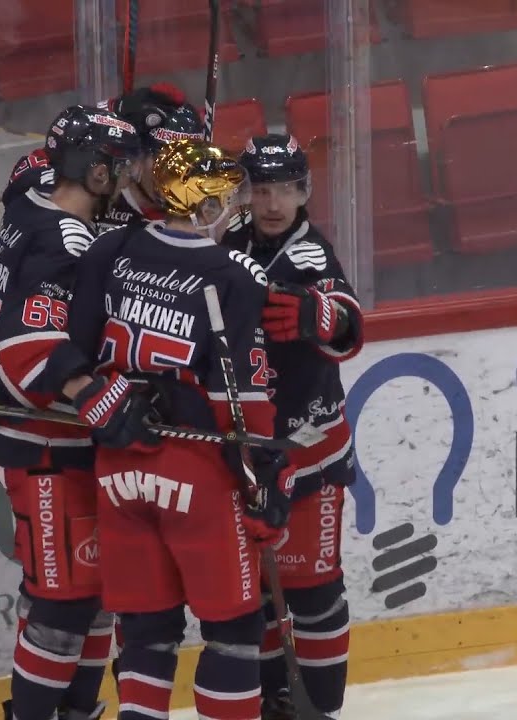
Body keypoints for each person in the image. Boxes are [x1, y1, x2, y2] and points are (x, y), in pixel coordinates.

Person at [38, 139, 297, 720]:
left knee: (146, 630)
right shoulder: (234, 275)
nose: (236, 208)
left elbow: (70, 351)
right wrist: (265, 483)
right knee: (234, 629)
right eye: (227, 198)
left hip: (119, 468)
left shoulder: (111, 248)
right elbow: (243, 400)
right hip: (197, 472)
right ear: (207, 203)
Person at [0, 104, 143, 720]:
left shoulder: (31, 199)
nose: (127, 178)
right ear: (94, 172)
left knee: (96, 593)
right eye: (118, 167)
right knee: (63, 602)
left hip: (44, 432)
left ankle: (78, 713)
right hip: (42, 440)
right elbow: (32, 347)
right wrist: (91, 392)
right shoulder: (66, 239)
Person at [223, 134, 365, 720]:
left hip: (309, 450)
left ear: (304, 191)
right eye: (261, 189)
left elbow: (349, 325)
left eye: (284, 189)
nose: (274, 202)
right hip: (248, 454)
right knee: (256, 594)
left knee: (314, 591)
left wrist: (321, 316)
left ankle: (321, 709)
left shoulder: (311, 257)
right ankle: (274, 702)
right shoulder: (230, 241)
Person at [4, 83, 204, 233]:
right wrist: (114, 110)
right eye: (167, 160)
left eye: (191, 160)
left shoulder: (201, 207)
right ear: (136, 156)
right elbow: (26, 175)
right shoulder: (97, 178)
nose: (180, 173)